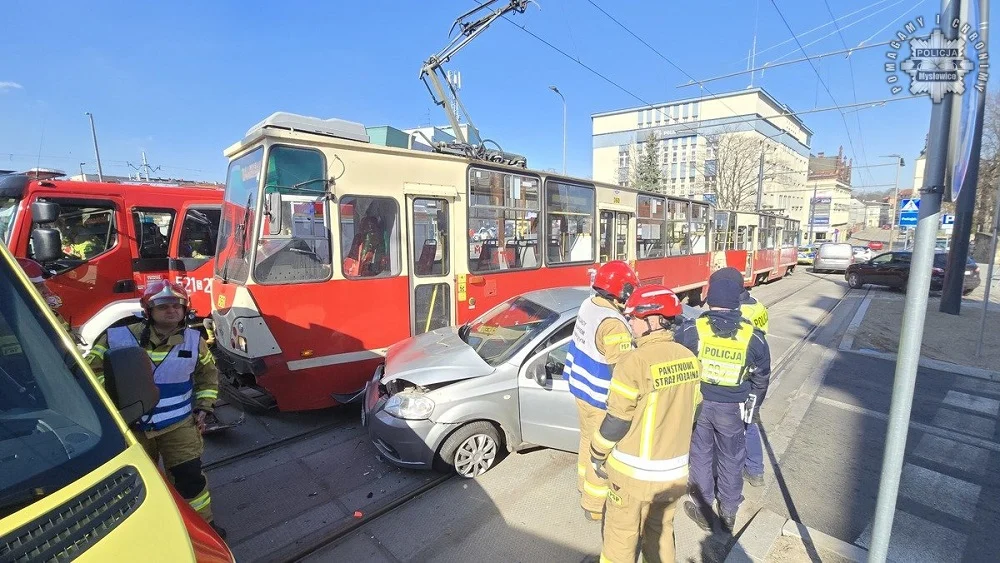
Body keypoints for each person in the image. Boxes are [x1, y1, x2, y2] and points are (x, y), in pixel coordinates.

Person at [85, 280, 225, 538]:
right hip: (131, 428)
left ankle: (203, 528)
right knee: (135, 483)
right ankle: (146, 531)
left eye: (176, 306)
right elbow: (89, 372)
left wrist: (204, 407)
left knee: (190, 479)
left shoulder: (195, 341)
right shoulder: (116, 337)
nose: (171, 310)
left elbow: (208, 377)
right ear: (148, 310)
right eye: (163, 306)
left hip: (178, 427)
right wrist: (118, 391)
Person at [590, 285, 701, 563]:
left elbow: (617, 420)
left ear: (655, 320)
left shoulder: (634, 361)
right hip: (673, 475)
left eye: (634, 318)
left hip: (633, 476)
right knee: (661, 534)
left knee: (621, 538)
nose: (629, 323)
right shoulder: (690, 359)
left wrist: (596, 453)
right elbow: (694, 411)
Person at [677, 267, 771, 532]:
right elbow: (761, 379)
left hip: (700, 406)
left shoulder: (692, 331)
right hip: (733, 409)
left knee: (701, 455)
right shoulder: (753, 337)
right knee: (732, 458)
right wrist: (752, 410)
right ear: (737, 302)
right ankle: (729, 512)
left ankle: (704, 509)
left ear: (710, 299)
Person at [564, 260, 639, 521]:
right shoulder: (613, 323)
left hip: (581, 390)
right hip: (600, 398)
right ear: (621, 290)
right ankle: (595, 506)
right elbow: (624, 368)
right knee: (602, 453)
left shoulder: (589, 305)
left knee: (587, 441)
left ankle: (583, 487)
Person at [739, 288, 769, 488]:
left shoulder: (742, 312)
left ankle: (751, 468)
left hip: (745, 375)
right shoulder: (757, 305)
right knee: (750, 423)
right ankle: (756, 471)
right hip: (760, 362)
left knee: (746, 425)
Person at [16, 257, 69, 331]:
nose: (47, 290)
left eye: (44, 284)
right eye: (39, 286)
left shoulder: (49, 314)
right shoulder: (20, 319)